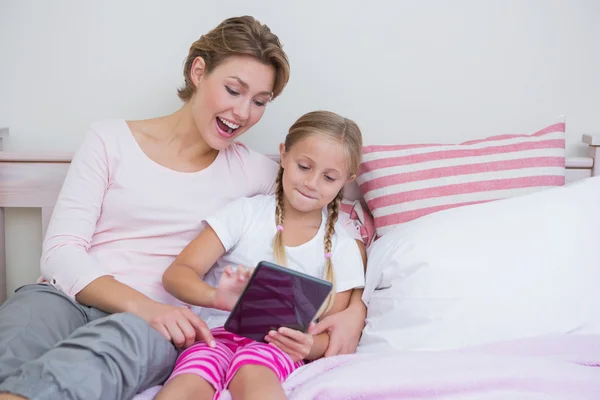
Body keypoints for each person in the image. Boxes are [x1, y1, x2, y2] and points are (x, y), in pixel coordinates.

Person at [0, 15, 366, 400]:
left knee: (111, 345)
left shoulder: (259, 174)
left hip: (156, 329)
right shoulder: (109, 140)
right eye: (233, 90)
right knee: (21, 327)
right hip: (67, 299)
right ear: (198, 71)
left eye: (259, 102)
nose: (243, 113)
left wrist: (355, 309)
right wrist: (145, 306)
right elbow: (60, 252)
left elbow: (336, 228)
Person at [154, 110, 366, 400]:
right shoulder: (246, 213)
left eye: (329, 177)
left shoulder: (343, 246)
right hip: (213, 335)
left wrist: (307, 347)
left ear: (347, 179)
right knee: (187, 383)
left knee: (257, 376)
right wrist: (218, 298)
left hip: (277, 348)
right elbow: (177, 274)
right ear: (284, 154)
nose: (312, 183)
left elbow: (332, 334)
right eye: (304, 166)